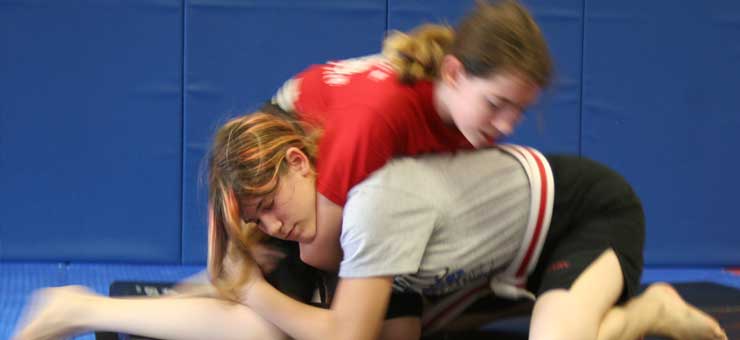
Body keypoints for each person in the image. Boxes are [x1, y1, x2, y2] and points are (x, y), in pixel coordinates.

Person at [13, 112, 728, 340]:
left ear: (299, 162)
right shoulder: (298, 172)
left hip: (577, 218)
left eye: (270, 204)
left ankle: (648, 312)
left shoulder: (371, 202)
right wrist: (232, 260)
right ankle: (74, 305)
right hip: (465, 260)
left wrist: (249, 288)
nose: (272, 224)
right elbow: (240, 196)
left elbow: (350, 336)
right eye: (254, 212)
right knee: (269, 304)